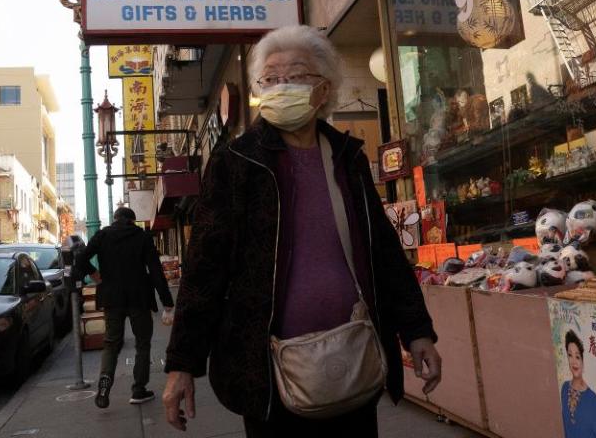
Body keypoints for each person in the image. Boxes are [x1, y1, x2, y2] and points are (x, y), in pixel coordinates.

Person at [162, 25, 441, 436]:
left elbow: (382, 251)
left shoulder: (348, 159)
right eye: (270, 79)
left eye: (294, 75)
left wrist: (417, 331)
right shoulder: (236, 162)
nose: (281, 86)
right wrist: (182, 364)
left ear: (323, 90)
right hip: (270, 372)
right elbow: (205, 267)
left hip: (354, 355)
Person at [82, 206, 174, 408]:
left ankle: (105, 383)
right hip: (139, 299)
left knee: (111, 344)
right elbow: (156, 270)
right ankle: (139, 390)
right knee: (142, 344)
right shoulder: (141, 236)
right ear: (132, 221)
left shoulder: (103, 235)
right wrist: (167, 302)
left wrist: (93, 273)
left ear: (115, 219)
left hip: (111, 299)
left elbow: (80, 256)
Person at [560, 330, 596, 438]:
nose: (573, 362)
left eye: (577, 357)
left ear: (583, 360)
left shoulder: (592, 400)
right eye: (570, 355)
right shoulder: (564, 388)